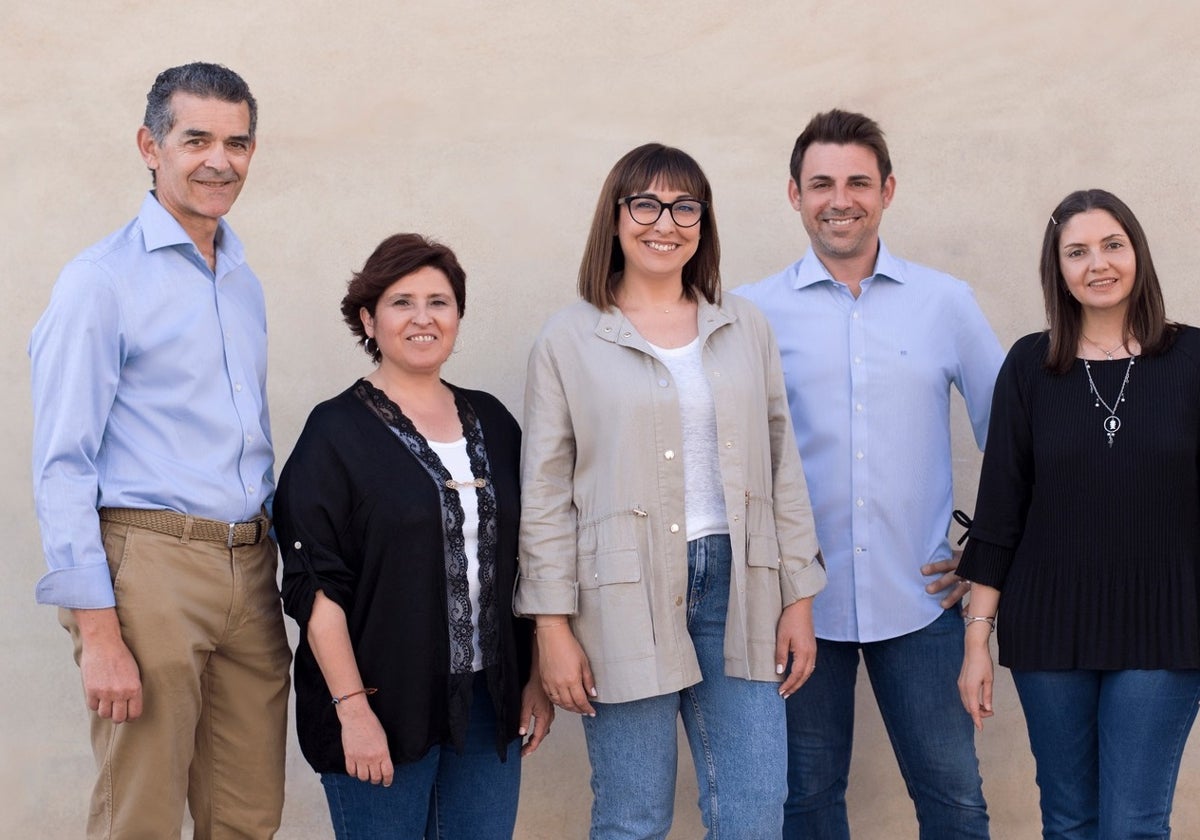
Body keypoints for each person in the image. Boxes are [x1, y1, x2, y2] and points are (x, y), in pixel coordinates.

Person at [515, 142, 826, 839]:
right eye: (647, 203)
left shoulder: (743, 324)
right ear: (616, 217)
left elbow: (784, 465)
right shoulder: (568, 339)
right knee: (634, 818)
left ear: (704, 221)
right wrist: (551, 625)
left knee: (752, 812)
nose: (667, 221)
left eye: (686, 205)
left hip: (741, 588)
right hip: (620, 593)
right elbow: (544, 495)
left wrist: (799, 595)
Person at [29, 63, 291, 838]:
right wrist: (100, 634)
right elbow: (62, 464)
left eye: (238, 142)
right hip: (151, 566)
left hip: (251, 566)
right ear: (151, 145)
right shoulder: (100, 282)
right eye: (197, 139)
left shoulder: (240, 279)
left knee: (248, 814)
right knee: (138, 813)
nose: (220, 160)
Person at [734, 109, 1003, 839]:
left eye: (858, 181)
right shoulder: (750, 314)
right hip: (798, 608)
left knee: (954, 801)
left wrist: (985, 558)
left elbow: (1013, 442)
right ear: (794, 194)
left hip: (920, 602)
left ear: (887, 190)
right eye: (821, 183)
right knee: (808, 802)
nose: (839, 198)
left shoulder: (945, 302)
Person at [274, 233, 552, 839]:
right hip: (379, 700)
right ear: (369, 320)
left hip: (486, 704)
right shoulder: (334, 431)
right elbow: (315, 586)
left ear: (457, 316)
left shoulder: (495, 421)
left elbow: (526, 560)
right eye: (401, 302)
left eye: (439, 301)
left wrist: (532, 677)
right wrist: (352, 710)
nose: (422, 318)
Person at [957, 189, 1200, 839]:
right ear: (1057, 269)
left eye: (1112, 245)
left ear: (1137, 254)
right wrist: (977, 638)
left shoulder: (1192, 359)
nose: (1098, 263)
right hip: (1048, 625)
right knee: (1069, 822)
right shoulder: (1030, 368)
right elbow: (1000, 509)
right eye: (1077, 251)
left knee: (1134, 825)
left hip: (1165, 623)